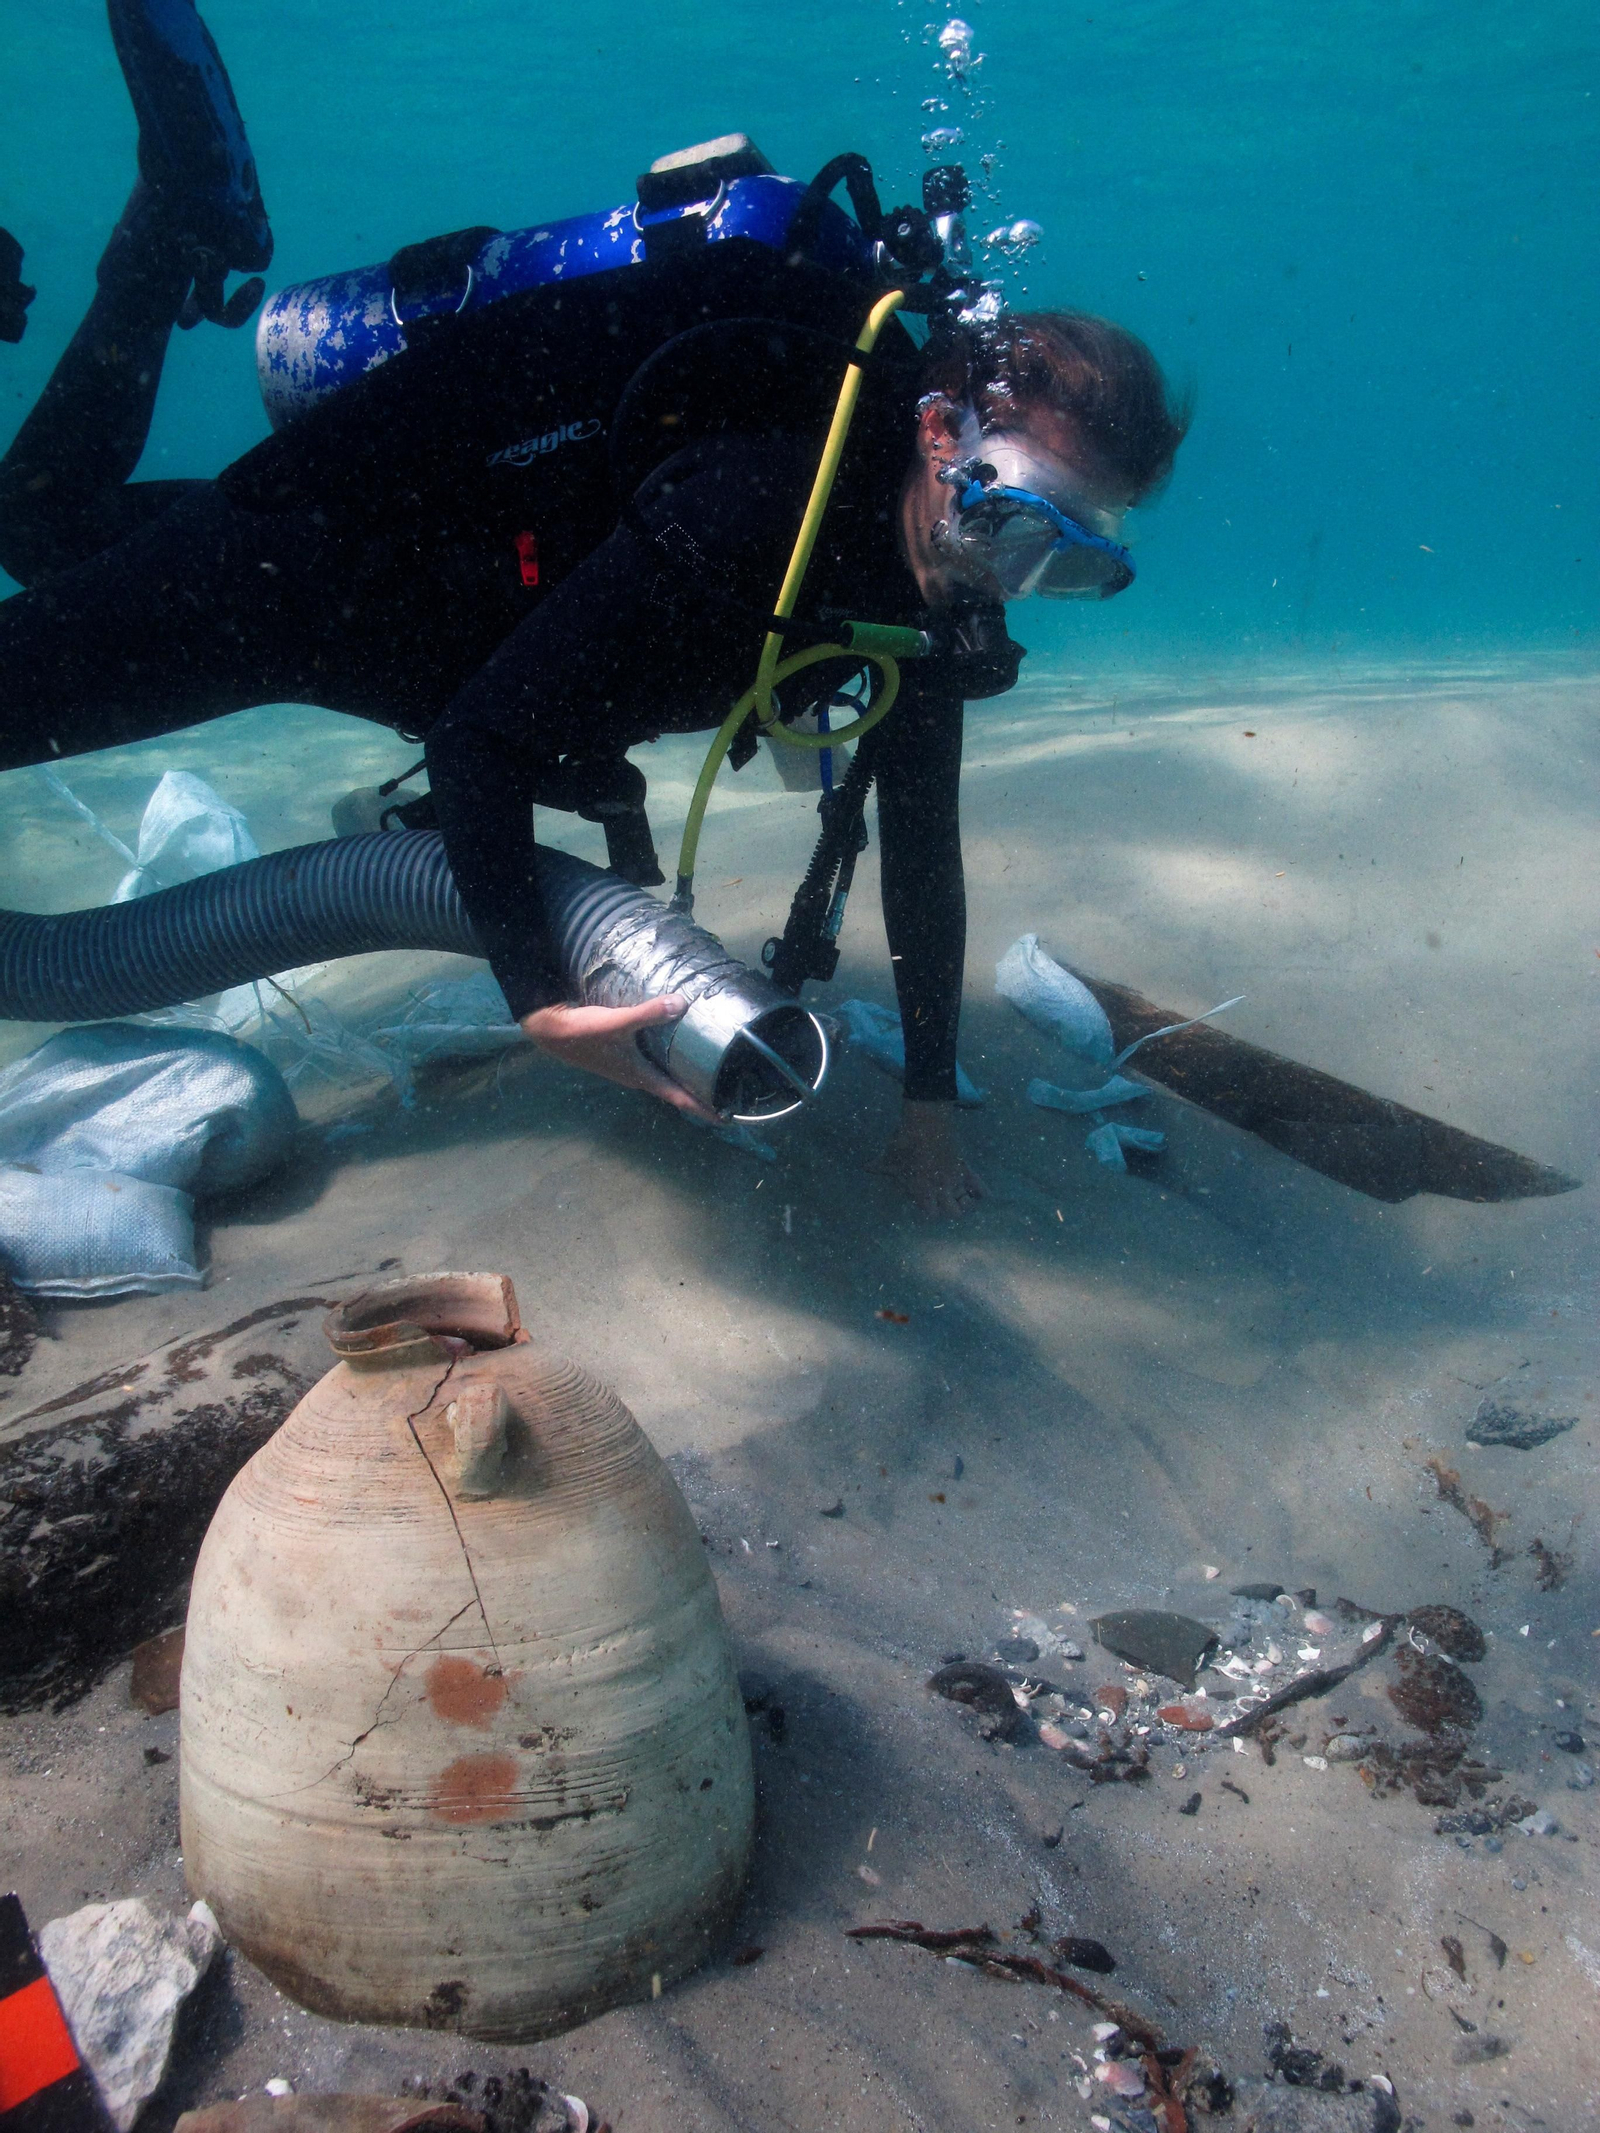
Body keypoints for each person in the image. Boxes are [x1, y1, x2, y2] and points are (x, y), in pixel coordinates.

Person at [0, 2, 1189, 1219]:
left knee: (37, 524)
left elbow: (921, 849)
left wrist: (927, 1113)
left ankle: (168, 236)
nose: (1013, 580)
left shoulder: (927, 592)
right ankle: (178, 225)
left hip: (441, 609)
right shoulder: (754, 508)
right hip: (318, 570)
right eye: (1023, 525)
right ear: (941, 433)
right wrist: (538, 996)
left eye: (1074, 563)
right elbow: (482, 739)